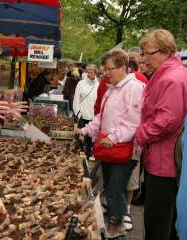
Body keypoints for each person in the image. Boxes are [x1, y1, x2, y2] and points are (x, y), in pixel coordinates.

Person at [76, 49, 144, 238]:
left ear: (123, 68)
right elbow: (101, 117)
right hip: (109, 150)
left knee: (114, 191)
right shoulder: (111, 89)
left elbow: (133, 122)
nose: (106, 73)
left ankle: (116, 231)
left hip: (124, 150)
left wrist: (113, 137)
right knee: (112, 191)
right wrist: (85, 130)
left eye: (110, 69)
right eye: (105, 69)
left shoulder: (135, 89)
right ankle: (117, 227)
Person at [134, 29, 187, 240]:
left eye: (147, 53)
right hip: (161, 158)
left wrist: (140, 134)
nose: (144, 58)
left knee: (158, 222)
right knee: (165, 220)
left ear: (164, 52)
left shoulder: (171, 78)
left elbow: (166, 121)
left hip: (163, 163)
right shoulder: (170, 74)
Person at [73, 64, 99, 160]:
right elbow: (76, 98)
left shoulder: (98, 84)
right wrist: (78, 113)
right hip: (82, 113)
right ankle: (80, 151)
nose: (90, 74)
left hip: (92, 114)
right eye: (88, 72)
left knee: (91, 135)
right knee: (80, 134)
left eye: (92, 72)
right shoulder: (81, 83)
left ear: (95, 73)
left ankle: (90, 153)